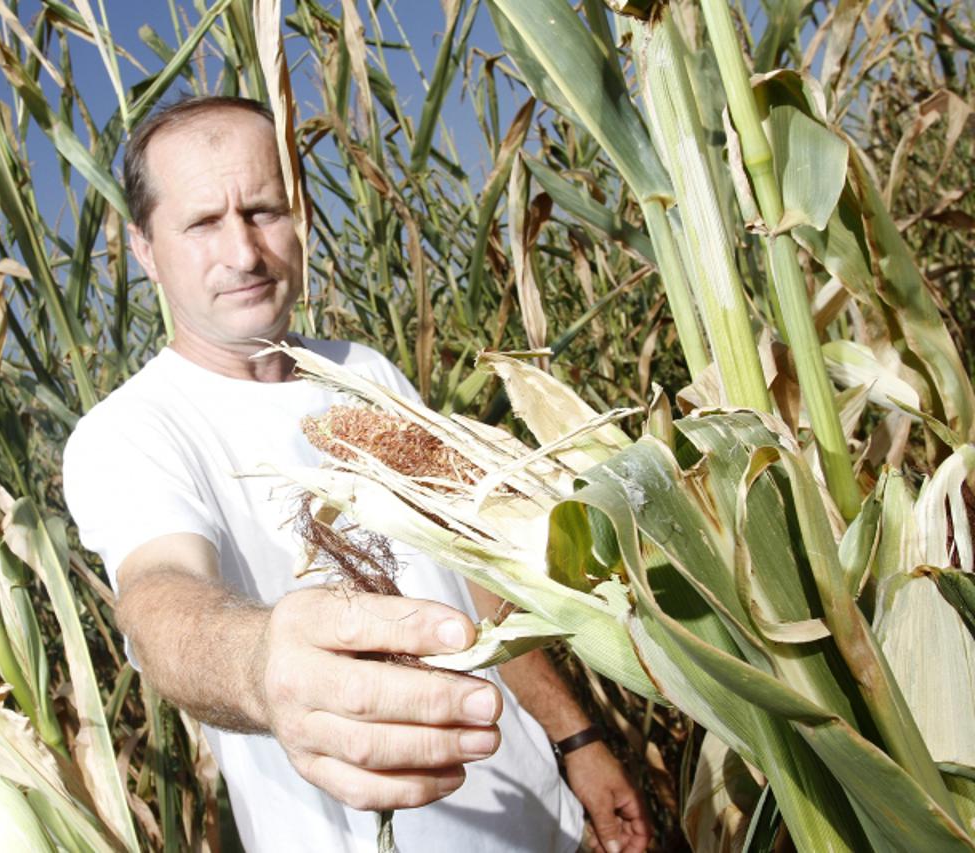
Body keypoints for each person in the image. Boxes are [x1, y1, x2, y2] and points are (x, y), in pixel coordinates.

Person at [62, 95, 651, 853]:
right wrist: (259, 662)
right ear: (145, 248)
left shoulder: (363, 372)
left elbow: (475, 575)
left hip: (547, 824)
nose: (244, 253)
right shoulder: (130, 430)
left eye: (266, 211)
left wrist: (577, 740)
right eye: (203, 223)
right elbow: (158, 597)